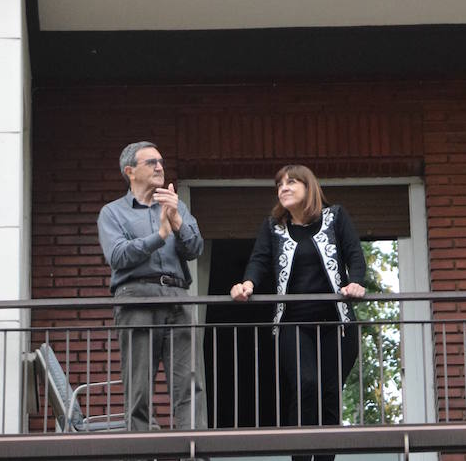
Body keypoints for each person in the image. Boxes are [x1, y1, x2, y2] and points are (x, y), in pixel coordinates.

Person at [230, 164, 366, 461]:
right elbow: (259, 260)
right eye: (280, 184)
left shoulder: (336, 217)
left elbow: (355, 254)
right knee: (306, 385)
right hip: (293, 323)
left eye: (292, 182)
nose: (284, 188)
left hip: (337, 324)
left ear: (310, 187)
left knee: (330, 395)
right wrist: (247, 284)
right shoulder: (273, 227)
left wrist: (356, 282)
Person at [98, 141, 208, 434]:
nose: (160, 166)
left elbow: (195, 248)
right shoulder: (112, 213)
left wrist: (177, 221)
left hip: (177, 296)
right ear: (130, 171)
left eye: (161, 161)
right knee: (139, 387)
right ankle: (141, 451)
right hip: (136, 298)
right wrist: (160, 235)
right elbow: (118, 257)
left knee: (190, 382)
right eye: (151, 162)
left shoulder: (176, 204)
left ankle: (195, 451)